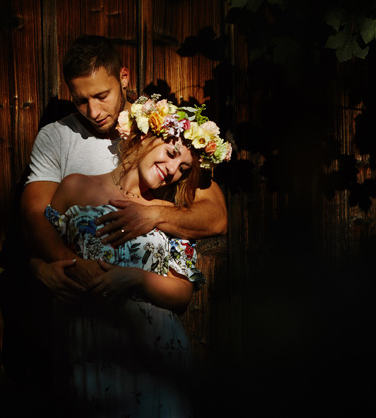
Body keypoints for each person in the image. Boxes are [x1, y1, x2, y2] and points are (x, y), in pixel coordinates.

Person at [40, 95, 231, 416]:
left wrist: (136, 278)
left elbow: (183, 294)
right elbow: (42, 249)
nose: (173, 170)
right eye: (171, 154)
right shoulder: (76, 187)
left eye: (183, 168)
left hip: (156, 351)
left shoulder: (170, 213)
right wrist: (40, 269)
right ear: (145, 139)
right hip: (92, 345)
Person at [20, 35, 228, 299]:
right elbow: (35, 215)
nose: (93, 111)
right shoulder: (56, 137)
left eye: (101, 96)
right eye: (80, 100)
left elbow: (216, 217)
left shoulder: (161, 131)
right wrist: (54, 265)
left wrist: (153, 215)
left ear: (124, 78)